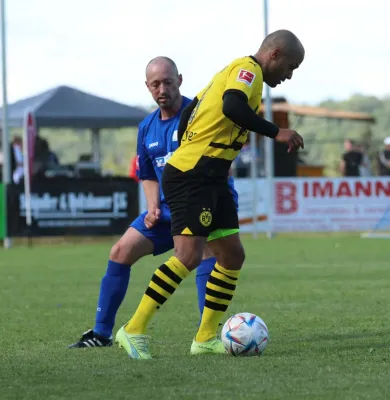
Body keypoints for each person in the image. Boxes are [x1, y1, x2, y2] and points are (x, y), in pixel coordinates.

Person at [115, 30, 305, 359]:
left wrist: (198, 140)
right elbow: (232, 105)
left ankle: (204, 339)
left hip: (211, 176)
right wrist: (276, 131)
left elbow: (192, 110)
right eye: (290, 66)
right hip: (193, 174)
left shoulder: (235, 73)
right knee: (188, 256)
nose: (289, 75)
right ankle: (132, 329)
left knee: (231, 256)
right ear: (273, 55)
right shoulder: (248, 72)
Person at [68, 56, 238, 348]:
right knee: (120, 251)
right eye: (155, 84)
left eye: (168, 82)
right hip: (168, 209)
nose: (162, 89)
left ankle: (205, 333)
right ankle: (101, 333)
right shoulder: (146, 127)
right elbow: (146, 172)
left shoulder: (199, 113)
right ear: (147, 86)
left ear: (180, 81)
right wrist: (152, 206)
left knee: (207, 253)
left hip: (204, 201)